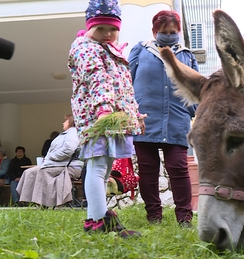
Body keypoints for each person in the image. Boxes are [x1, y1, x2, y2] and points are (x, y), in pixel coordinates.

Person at [68, 0, 145, 238]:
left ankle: (95, 219)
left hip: (113, 117)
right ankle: (100, 220)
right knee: (98, 166)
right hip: (97, 117)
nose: (107, 34)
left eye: (112, 28)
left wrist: (134, 115)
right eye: (100, 28)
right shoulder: (85, 47)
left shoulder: (109, 49)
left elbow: (123, 87)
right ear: (90, 26)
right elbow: (97, 80)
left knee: (105, 166)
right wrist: (103, 111)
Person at [128, 10, 198, 227]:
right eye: (163, 32)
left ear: (179, 31)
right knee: (148, 170)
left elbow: (196, 89)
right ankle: (154, 216)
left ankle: (184, 217)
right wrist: (129, 112)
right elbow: (126, 82)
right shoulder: (140, 51)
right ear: (154, 31)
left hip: (177, 121)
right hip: (144, 120)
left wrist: (193, 112)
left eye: (172, 32)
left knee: (178, 168)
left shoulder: (187, 55)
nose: (168, 35)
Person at [16, 115, 83, 208]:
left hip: (70, 166)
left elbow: (69, 149)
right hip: (59, 164)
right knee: (29, 172)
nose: (63, 123)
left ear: (71, 122)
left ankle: (44, 203)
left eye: (66, 121)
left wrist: (51, 157)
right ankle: (29, 200)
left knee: (42, 171)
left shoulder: (73, 132)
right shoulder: (67, 133)